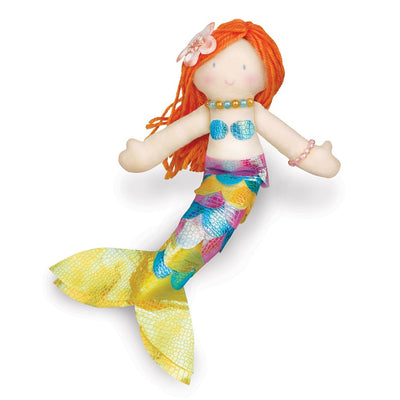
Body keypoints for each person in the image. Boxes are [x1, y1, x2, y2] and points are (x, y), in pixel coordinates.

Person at [51, 19, 340, 384]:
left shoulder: (255, 112)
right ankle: (155, 285)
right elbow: (173, 136)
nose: (230, 76)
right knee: (193, 230)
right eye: (214, 64)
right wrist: (145, 154)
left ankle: (152, 285)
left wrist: (315, 158)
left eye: (245, 66)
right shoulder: (207, 113)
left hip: (242, 187)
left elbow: (291, 143)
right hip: (213, 183)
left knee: (205, 233)